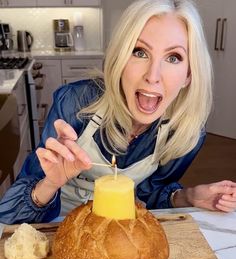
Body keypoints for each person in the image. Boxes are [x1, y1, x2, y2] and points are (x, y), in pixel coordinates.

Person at [0, 0, 236, 224]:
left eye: (173, 57)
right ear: (120, 59)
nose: (152, 76)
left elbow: (150, 193)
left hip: (119, 232)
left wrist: (190, 197)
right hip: (55, 226)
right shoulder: (76, 103)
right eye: (139, 52)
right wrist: (50, 184)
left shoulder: (186, 133)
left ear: (188, 75)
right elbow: (7, 218)